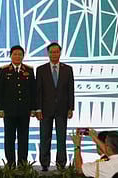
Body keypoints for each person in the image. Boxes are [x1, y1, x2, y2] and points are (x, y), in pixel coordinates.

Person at [0, 45, 36, 167]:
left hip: (24, 110)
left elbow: (32, 91)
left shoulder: (29, 70)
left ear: (23, 56)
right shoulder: (3, 70)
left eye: (20, 54)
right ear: (11, 56)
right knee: (9, 138)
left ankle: (23, 163)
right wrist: (0, 108)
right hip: (9, 111)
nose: (17, 56)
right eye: (15, 54)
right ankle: (10, 163)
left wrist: (33, 108)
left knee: (23, 138)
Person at [37, 42, 75, 171]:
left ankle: (61, 164)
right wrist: (38, 109)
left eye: (56, 52)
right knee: (45, 137)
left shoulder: (67, 69)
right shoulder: (41, 69)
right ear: (48, 53)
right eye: (52, 52)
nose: (54, 54)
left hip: (62, 109)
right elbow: (39, 91)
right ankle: (44, 163)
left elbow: (71, 90)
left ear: (60, 53)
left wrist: (71, 108)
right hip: (45, 110)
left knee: (61, 137)